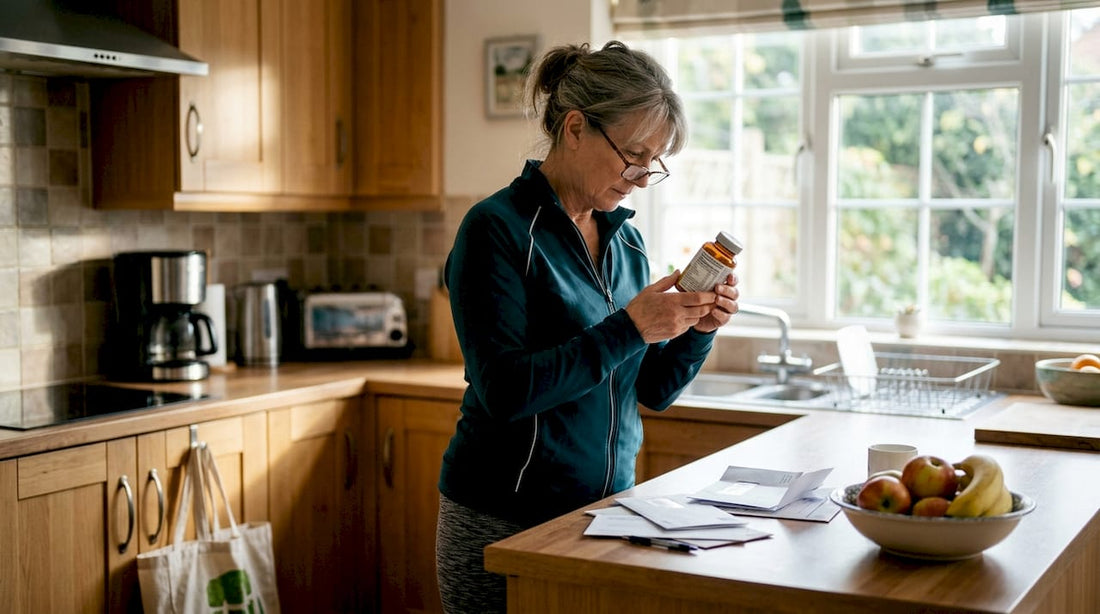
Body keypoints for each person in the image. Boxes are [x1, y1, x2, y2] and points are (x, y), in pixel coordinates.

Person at [435, 40, 740, 613]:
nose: (643, 177)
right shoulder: (494, 231)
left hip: (606, 516)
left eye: (655, 162)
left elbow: (652, 390)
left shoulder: (626, 241)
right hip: (502, 518)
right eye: (633, 154)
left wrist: (700, 327)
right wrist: (629, 327)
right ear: (575, 128)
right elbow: (504, 391)